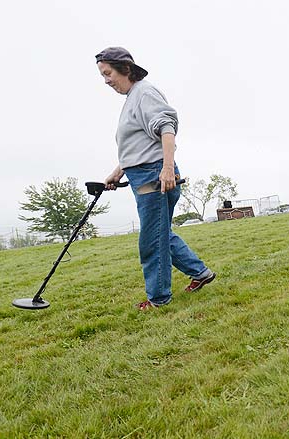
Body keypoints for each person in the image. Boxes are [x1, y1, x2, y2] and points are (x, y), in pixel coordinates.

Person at [96, 47, 215, 310]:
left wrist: (168, 168)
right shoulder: (133, 98)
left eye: (108, 74)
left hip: (156, 176)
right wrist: (118, 172)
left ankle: (158, 299)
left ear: (124, 69)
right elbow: (140, 144)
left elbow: (166, 128)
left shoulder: (144, 93)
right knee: (161, 233)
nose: (106, 81)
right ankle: (201, 273)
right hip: (145, 174)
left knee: (151, 240)